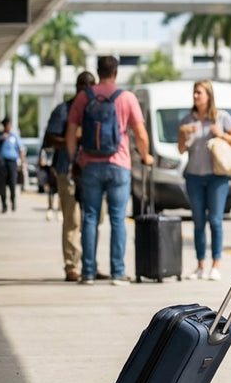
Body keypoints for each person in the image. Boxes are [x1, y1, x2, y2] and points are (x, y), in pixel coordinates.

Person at [65, 57, 153, 285]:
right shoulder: (126, 98)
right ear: (115, 73)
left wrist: (75, 158)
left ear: (98, 71)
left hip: (90, 164)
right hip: (119, 164)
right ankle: (117, 272)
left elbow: (70, 131)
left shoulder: (84, 97)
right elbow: (141, 134)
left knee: (90, 218)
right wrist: (145, 156)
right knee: (117, 219)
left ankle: (88, 272)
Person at [178, 80, 231, 281]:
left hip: (217, 178)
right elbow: (181, 149)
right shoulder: (188, 120)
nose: (196, 96)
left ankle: (215, 264)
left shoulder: (221, 117)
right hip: (194, 177)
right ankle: (200, 266)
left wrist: (220, 134)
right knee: (198, 222)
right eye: (194, 93)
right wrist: (183, 133)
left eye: (199, 93)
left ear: (208, 95)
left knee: (215, 221)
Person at [45, 71, 100, 282]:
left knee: (94, 220)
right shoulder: (63, 110)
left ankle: (90, 265)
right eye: (82, 84)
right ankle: (71, 266)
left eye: (90, 84)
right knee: (72, 220)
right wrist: (73, 139)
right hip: (66, 170)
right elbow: (50, 139)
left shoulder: (97, 110)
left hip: (92, 172)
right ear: (76, 86)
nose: (86, 87)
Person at [0, 117, 26, 213]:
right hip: (2, 162)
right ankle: (4, 205)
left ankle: (13, 203)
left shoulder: (14, 136)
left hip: (12, 162)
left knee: (12, 183)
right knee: (2, 184)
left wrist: (22, 161)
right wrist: (1, 139)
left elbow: (21, 149)